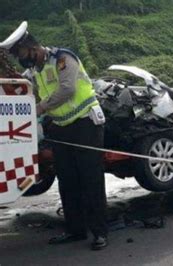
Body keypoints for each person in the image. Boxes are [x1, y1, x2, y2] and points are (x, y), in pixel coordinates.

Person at [0, 21, 108, 250]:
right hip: (61, 128)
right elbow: (22, 85)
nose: (21, 59)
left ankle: (100, 232)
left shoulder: (63, 59)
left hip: (85, 124)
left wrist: (39, 108)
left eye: (21, 54)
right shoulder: (34, 71)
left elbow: (67, 89)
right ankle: (75, 230)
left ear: (32, 47)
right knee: (67, 181)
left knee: (91, 180)